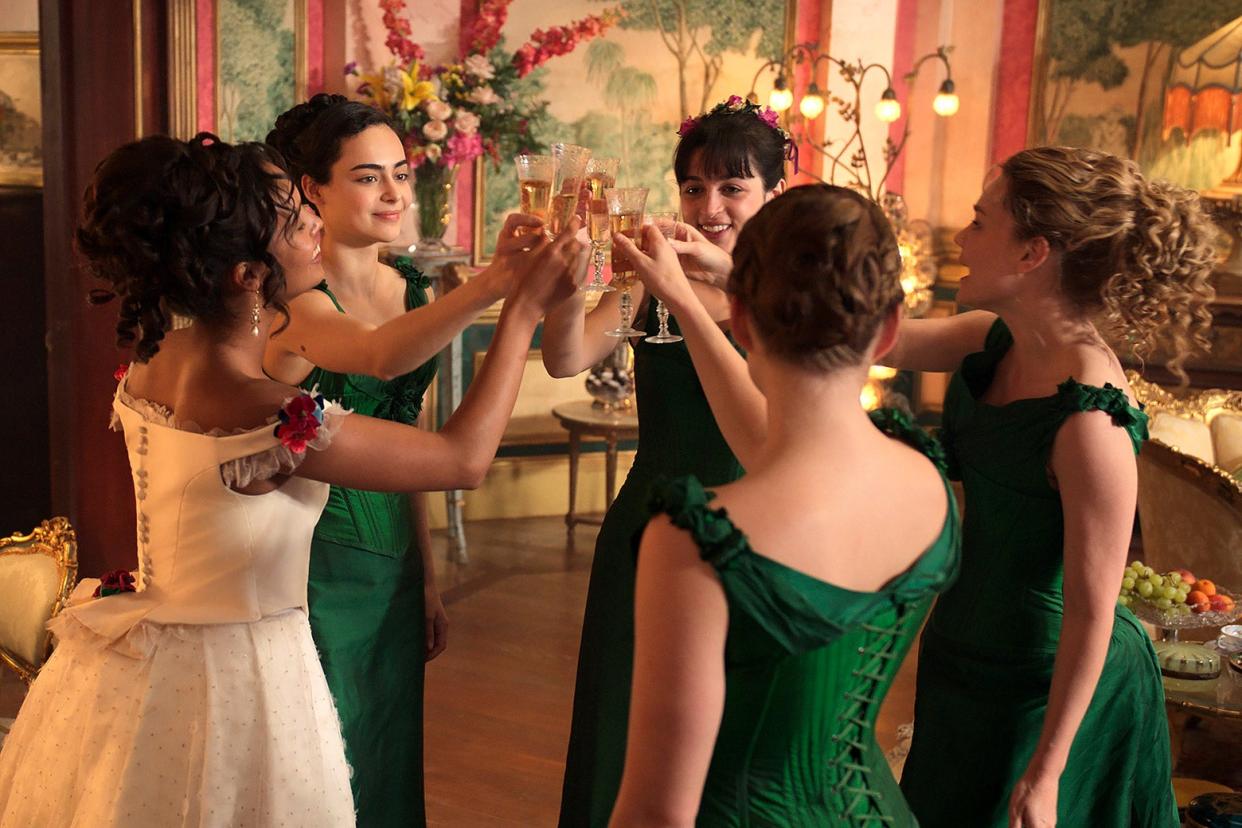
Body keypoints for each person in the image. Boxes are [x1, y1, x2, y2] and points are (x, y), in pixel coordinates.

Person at [0, 134, 585, 827]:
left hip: (153, 668)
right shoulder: (264, 412)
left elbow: (372, 352)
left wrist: (493, 280)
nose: (314, 221)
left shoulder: (161, 354)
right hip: (242, 679)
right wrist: (519, 312)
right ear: (248, 275)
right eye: (293, 218)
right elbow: (463, 460)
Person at [606, 184, 959, 825]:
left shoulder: (698, 538)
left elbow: (656, 813)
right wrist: (690, 300)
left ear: (741, 320)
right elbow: (771, 440)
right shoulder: (929, 484)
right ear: (888, 331)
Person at [892, 147, 1215, 826]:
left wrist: (1047, 770)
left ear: (1031, 253)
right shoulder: (992, 339)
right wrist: (724, 274)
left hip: (1049, 691)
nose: (961, 236)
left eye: (981, 221)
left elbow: (1092, 615)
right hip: (961, 656)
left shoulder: (1091, 420)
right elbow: (855, 340)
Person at [264, 93, 526, 827]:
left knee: (384, 754)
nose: (393, 194)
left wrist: (431, 576)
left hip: (394, 564)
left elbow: (410, 436)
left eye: (401, 174)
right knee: (324, 757)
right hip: (312, 564)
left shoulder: (412, 290)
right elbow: (379, 362)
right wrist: (496, 286)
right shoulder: (287, 304)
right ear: (311, 189)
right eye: (368, 177)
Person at [540, 96, 788, 827]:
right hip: (648, 527)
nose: (709, 206)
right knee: (625, 709)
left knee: (731, 730)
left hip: (757, 533)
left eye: (732, 187)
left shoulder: (787, 295)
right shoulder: (646, 286)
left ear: (773, 195)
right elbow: (564, 356)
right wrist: (565, 283)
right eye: (693, 187)